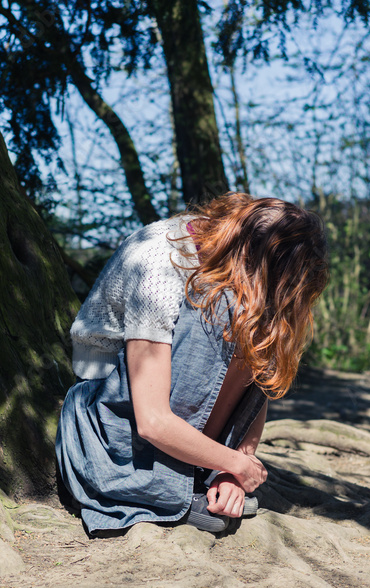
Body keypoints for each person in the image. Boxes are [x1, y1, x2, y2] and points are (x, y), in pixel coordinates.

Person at [55, 192, 329, 534]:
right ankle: (166, 486)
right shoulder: (159, 265)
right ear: (249, 254)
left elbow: (257, 365)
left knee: (257, 317)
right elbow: (152, 421)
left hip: (169, 422)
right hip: (112, 423)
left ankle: (202, 475)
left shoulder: (233, 264)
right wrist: (238, 464)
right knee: (226, 305)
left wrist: (231, 472)